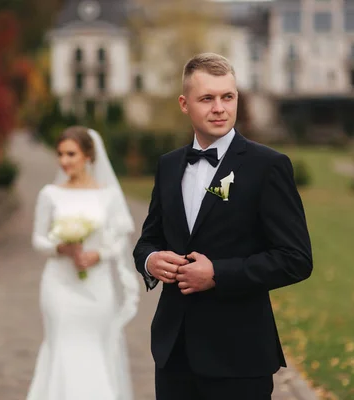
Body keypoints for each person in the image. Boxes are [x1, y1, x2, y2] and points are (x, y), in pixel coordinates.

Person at [133, 52, 313, 399]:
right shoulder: (169, 166)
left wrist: (217, 273)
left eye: (227, 97)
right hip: (174, 354)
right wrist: (150, 261)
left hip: (239, 357)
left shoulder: (269, 166)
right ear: (185, 104)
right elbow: (148, 239)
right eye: (207, 98)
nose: (219, 108)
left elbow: (296, 259)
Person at [26, 126, 139, 400]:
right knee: (62, 346)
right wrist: (61, 247)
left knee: (94, 349)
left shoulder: (108, 196)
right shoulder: (50, 194)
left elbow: (120, 238)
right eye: (60, 154)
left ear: (89, 155)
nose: (64, 161)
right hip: (59, 285)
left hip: (97, 286)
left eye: (71, 154)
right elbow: (38, 239)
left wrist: (98, 255)